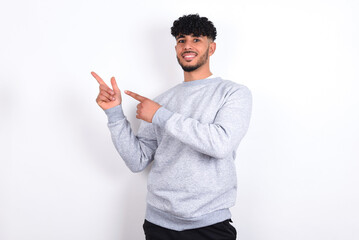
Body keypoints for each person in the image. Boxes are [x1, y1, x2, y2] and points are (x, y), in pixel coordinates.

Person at [91, 14, 252, 240]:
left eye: (196, 39)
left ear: (212, 48)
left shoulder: (233, 93)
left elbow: (220, 144)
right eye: (181, 40)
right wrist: (114, 113)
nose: (187, 45)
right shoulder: (161, 101)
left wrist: (159, 115)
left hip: (210, 225)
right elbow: (137, 161)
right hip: (158, 224)